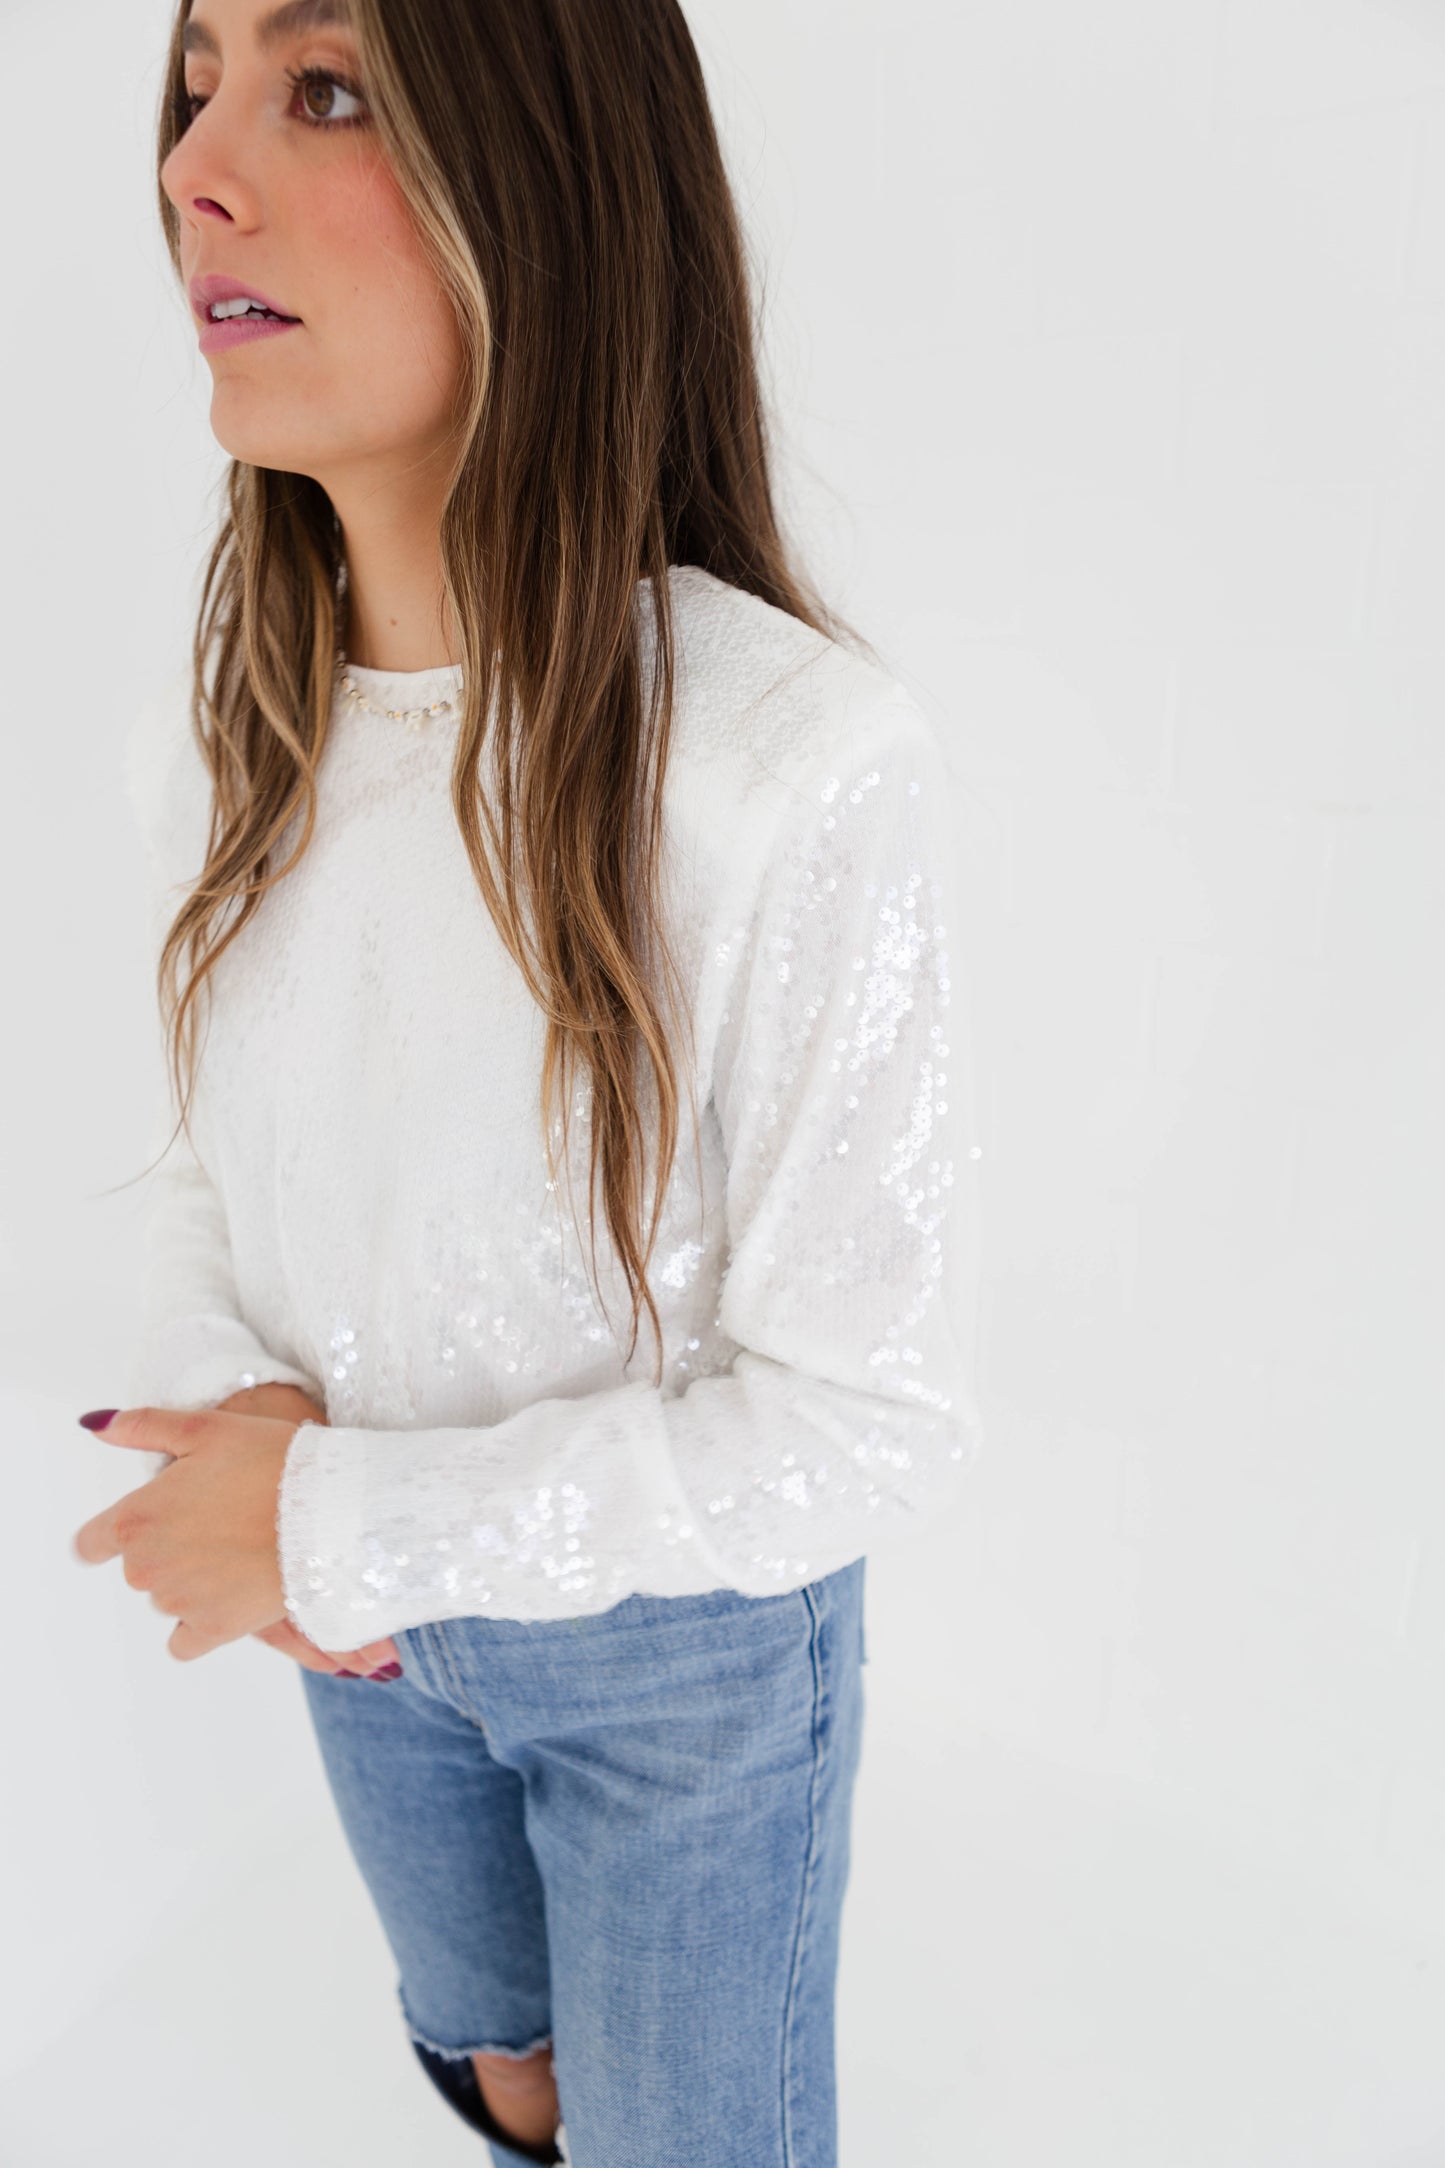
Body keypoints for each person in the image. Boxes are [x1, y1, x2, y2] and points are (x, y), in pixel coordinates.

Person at [73, 0, 984, 2160]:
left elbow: (873, 1416)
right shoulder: (224, 750)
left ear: (553, 182)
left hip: (674, 1676)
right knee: (508, 2083)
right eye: (194, 81)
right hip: (371, 1656)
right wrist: (243, 1420)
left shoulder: (780, 768)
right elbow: (217, 1180)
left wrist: (327, 1515)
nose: (199, 166)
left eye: (325, 90)